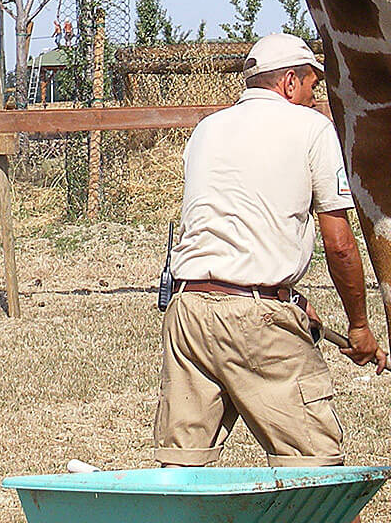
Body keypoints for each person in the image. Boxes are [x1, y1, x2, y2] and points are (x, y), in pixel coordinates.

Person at [154, 32, 387, 469]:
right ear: (290, 82)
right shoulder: (311, 128)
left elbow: (234, 234)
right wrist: (359, 326)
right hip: (254, 318)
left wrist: (291, 302)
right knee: (317, 471)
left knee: (182, 472)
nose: (315, 99)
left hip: (187, 313)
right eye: (312, 87)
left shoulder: (207, 129)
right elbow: (339, 244)